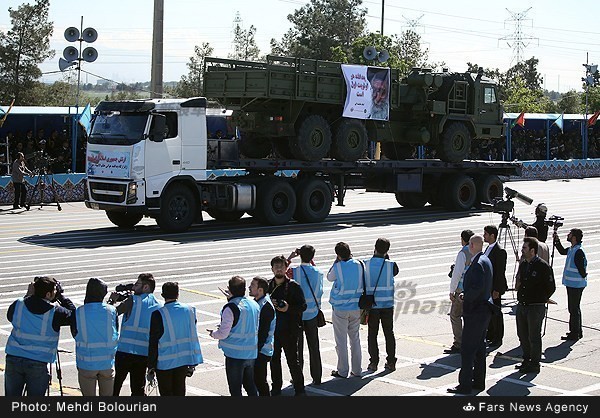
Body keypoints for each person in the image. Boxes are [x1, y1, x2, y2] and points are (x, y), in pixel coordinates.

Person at [5, 276, 76, 396]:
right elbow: (74, 315)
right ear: (48, 294)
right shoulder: (56, 312)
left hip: (14, 358)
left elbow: (10, 316)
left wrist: (28, 295)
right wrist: (61, 297)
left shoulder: (18, 304)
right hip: (38, 362)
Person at [447, 234, 493, 394]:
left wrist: (465, 296)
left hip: (476, 310)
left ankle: (465, 384)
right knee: (480, 348)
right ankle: (478, 381)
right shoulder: (485, 260)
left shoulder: (478, 263)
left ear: (472, 245)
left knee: (467, 349)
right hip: (483, 310)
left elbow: (478, 287)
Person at [110, 273, 163, 396]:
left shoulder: (133, 300)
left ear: (146, 287)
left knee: (116, 385)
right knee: (138, 389)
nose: (134, 287)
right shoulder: (158, 305)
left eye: (137, 284)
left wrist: (112, 300)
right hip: (143, 353)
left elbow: (112, 313)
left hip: (124, 351)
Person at [147, 282, 203, 396]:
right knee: (180, 390)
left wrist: (151, 366)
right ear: (178, 294)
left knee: (166, 393)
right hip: (183, 360)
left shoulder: (158, 314)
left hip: (164, 362)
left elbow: (153, 341)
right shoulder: (190, 310)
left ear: (162, 295)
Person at [210, 275, 260, 396]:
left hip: (234, 356)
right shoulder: (254, 305)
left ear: (230, 289)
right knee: (250, 386)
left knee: (235, 389)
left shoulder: (230, 308)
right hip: (251, 353)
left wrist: (213, 334)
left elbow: (223, 333)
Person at [514, 237, 556, 374]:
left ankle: (534, 363)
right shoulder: (524, 264)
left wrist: (541, 298)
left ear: (532, 250)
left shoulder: (543, 266)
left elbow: (551, 287)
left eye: (524, 248)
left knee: (534, 336)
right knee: (522, 334)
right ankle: (526, 359)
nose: (522, 250)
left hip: (535, 306)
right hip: (523, 304)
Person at [268, 255, 307, 396]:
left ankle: (300, 389)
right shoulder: (268, 286)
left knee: (293, 361)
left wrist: (288, 308)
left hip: (290, 330)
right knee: (274, 361)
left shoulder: (293, 286)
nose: (279, 269)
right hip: (273, 331)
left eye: (281, 266)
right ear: (272, 269)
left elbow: (303, 306)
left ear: (286, 268)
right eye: (276, 266)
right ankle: (276, 388)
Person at [74, 278, 119, 396]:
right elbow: (115, 330)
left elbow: (75, 333)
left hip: (86, 363)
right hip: (107, 363)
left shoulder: (79, 312)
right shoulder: (112, 310)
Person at [287, 244, 324, 385]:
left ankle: (298, 376)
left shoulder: (294, 272)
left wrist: (291, 257)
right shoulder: (318, 272)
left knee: (297, 348)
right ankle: (317, 376)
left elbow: (281, 270)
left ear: (300, 255)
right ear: (313, 257)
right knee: (314, 346)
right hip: (312, 313)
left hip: (297, 315)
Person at [327, 241, 363, 379]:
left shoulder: (338, 267)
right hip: (356, 306)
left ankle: (343, 370)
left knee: (341, 340)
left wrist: (335, 262)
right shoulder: (359, 264)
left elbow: (330, 278)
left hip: (340, 308)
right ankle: (357, 370)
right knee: (355, 339)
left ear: (338, 255)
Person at [362, 238, 399, 372]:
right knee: (389, 333)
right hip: (388, 304)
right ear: (387, 250)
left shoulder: (366, 263)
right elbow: (395, 272)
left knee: (372, 334)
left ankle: (373, 362)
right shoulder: (391, 264)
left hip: (373, 305)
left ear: (374, 248)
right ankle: (391, 361)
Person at [554, 228, 587, 341]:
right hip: (572, 283)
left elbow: (581, 267)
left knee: (574, 309)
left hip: (576, 284)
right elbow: (562, 251)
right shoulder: (573, 249)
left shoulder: (578, 251)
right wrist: (556, 241)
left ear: (574, 237)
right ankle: (577, 331)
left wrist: (583, 275)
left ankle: (575, 333)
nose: (567, 235)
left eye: (570, 234)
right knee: (574, 308)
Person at [445, 229, 474, 355]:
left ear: (463, 240)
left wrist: (452, 291)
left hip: (461, 290)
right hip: (474, 290)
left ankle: (459, 343)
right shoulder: (478, 251)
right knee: (470, 318)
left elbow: (457, 274)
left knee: (455, 316)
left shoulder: (463, 253)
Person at [248, 276, 276, 396]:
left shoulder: (266, 307)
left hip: (261, 351)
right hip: (258, 349)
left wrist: (254, 351)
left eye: (252, 285)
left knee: (259, 381)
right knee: (256, 380)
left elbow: (263, 333)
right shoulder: (258, 303)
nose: (249, 287)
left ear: (260, 290)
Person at [483, 224, 507, 348]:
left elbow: (499, 272)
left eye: (486, 234)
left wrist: (497, 289)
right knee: (489, 313)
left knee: (496, 314)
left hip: (494, 288)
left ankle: (498, 337)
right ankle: (491, 334)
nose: (484, 236)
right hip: (487, 287)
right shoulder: (487, 249)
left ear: (492, 235)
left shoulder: (500, 251)